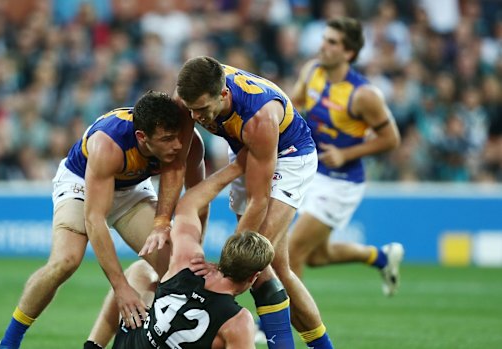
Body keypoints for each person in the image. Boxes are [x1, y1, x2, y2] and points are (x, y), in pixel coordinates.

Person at [0, 90, 205, 349]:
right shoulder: (107, 143)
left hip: (131, 190)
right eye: (167, 139)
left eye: (178, 137)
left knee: (180, 270)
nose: (176, 145)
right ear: (142, 137)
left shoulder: (187, 142)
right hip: (82, 184)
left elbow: (196, 197)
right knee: (65, 261)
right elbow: (95, 220)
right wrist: (121, 288)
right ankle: (9, 342)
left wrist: (178, 237)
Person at [170, 56, 334, 349]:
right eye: (192, 110)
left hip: (289, 156)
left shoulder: (259, 118)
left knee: (254, 262)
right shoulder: (189, 98)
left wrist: (225, 267)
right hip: (247, 150)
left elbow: (259, 200)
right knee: (276, 268)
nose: (196, 118)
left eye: (203, 110)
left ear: (223, 95)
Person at [85, 149, 275, 349]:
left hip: (131, 344)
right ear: (254, 276)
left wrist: (236, 167)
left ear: (224, 257)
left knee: (141, 271)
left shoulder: (187, 262)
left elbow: (189, 203)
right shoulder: (238, 321)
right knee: (142, 271)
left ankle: (92, 346)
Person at [287, 17, 404, 296]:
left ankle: (277, 327)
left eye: (332, 42)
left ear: (348, 53)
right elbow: (293, 107)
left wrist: (345, 153)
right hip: (312, 171)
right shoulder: (311, 71)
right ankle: (381, 258)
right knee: (315, 257)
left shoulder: (363, 95)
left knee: (291, 251)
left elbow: (392, 139)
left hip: (341, 182)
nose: (323, 46)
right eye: (324, 39)